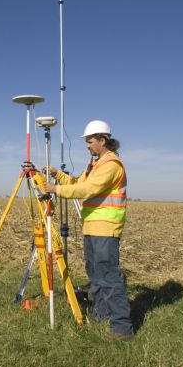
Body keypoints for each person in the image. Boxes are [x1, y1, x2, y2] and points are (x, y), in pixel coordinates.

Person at [43, 119, 134, 340]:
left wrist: (56, 189)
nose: (87, 145)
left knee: (108, 277)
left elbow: (88, 189)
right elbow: (77, 184)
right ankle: (101, 315)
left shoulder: (111, 164)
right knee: (95, 275)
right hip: (91, 227)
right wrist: (57, 175)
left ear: (103, 140)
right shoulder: (95, 164)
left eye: (90, 141)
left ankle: (122, 327)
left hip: (106, 228)